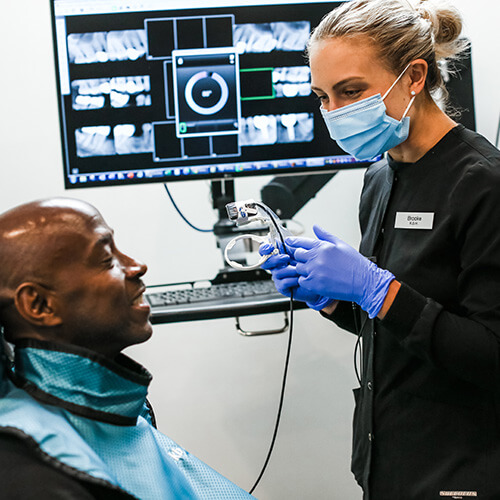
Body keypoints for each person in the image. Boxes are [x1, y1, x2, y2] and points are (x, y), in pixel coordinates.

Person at [261, 0, 500, 498]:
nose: (335, 112)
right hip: (391, 463)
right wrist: (328, 298)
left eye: (351, 91)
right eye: (323, 96)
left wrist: (376, 287)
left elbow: (489, 353)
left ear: (414, 76)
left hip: (464, 471)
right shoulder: (381, 177)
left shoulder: (483, 185)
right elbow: (396, 326)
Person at [0, 198, 253, 500]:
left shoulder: (116, 409)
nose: (136, 266)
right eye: (107, 259)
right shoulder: (37, 467)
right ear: (39, 305)